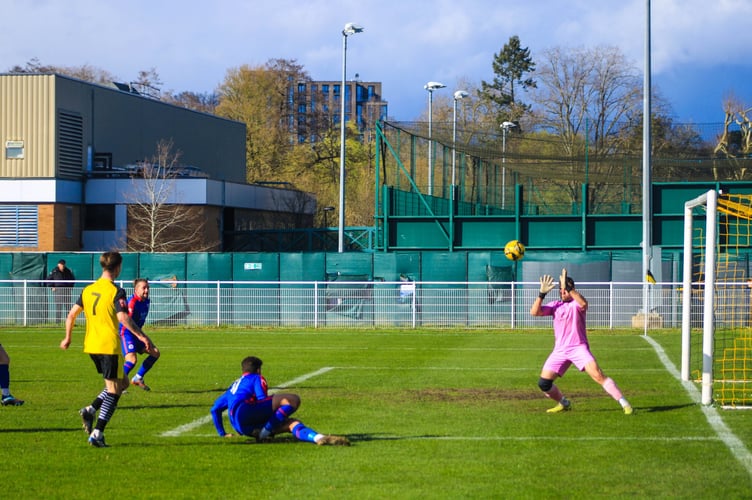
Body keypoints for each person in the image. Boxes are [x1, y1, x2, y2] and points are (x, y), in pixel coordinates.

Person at [60, 251, 153, 447]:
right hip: (108, 346)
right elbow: (123, 318)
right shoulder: (116, 291)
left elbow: (70, 316)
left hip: (91, 346)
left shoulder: (88, 290)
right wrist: (141, 336)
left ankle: (90, 410)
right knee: (114, 391)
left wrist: (67, 337)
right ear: (118, 268)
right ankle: (97, 433)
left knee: (123, 383)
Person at [530, 268, 633, 415]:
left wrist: (570, 289)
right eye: (561, 289)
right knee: (544, 383)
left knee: (598, 376)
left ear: (572, 289)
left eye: (565, 289)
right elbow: (535, 312)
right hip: (560, 350)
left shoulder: (576, 304)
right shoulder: (555, 306)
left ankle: (625, 404)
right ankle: (564, 403)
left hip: (578, 348)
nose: (562, 292)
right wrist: (542, 294)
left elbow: (583, 303)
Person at [211, 356, 350, 446]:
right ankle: (264, 433)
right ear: (258, 370)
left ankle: (318, 438)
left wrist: (223, 434)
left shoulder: (234, 386)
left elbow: (215, 409)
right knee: (292, 400)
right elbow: (262, 399)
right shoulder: (256, 378)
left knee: (291, 423)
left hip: (243, 427)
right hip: (247, 411)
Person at [120, 278, 160, 390]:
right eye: (144, 288)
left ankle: (138, 378)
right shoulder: (132, 303)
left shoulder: (146, 302)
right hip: (126, 333)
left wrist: (145, 339)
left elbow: (138, 325)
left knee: (155, 353)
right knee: (132, 360)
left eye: (148, 288)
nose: (146, 290)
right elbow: (128, 323)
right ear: (136, 290)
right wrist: (141, 337)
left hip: (137, 333)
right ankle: (117, 385)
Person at [46, 259, 75, 323]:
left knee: (68, 306)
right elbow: (48, 279)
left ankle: (69, 322)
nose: (63, 266)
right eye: (61, 265)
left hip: (67, 290)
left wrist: (70, 287)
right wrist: (52, 287)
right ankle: (58, 322)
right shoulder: (54, 271)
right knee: (58, 306)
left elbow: (72, 279)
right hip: (58, 290)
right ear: (58, 265)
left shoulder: (67, 271)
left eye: (63, 265)